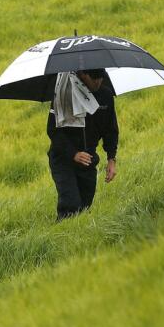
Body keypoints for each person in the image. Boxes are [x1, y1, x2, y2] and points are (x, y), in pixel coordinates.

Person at [47, 69, 119, 220]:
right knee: (70, 205)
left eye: (101, 78)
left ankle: (79, 237)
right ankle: (62, 237)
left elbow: (110, 130)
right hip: (63, 159)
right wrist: (73, 154)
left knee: (85, 206)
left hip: (88, 158)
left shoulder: (105, 96)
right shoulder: (63, 93)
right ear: (83, 75)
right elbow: (53, 131)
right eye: (94, 79)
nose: (98, 82)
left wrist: (111, 159)